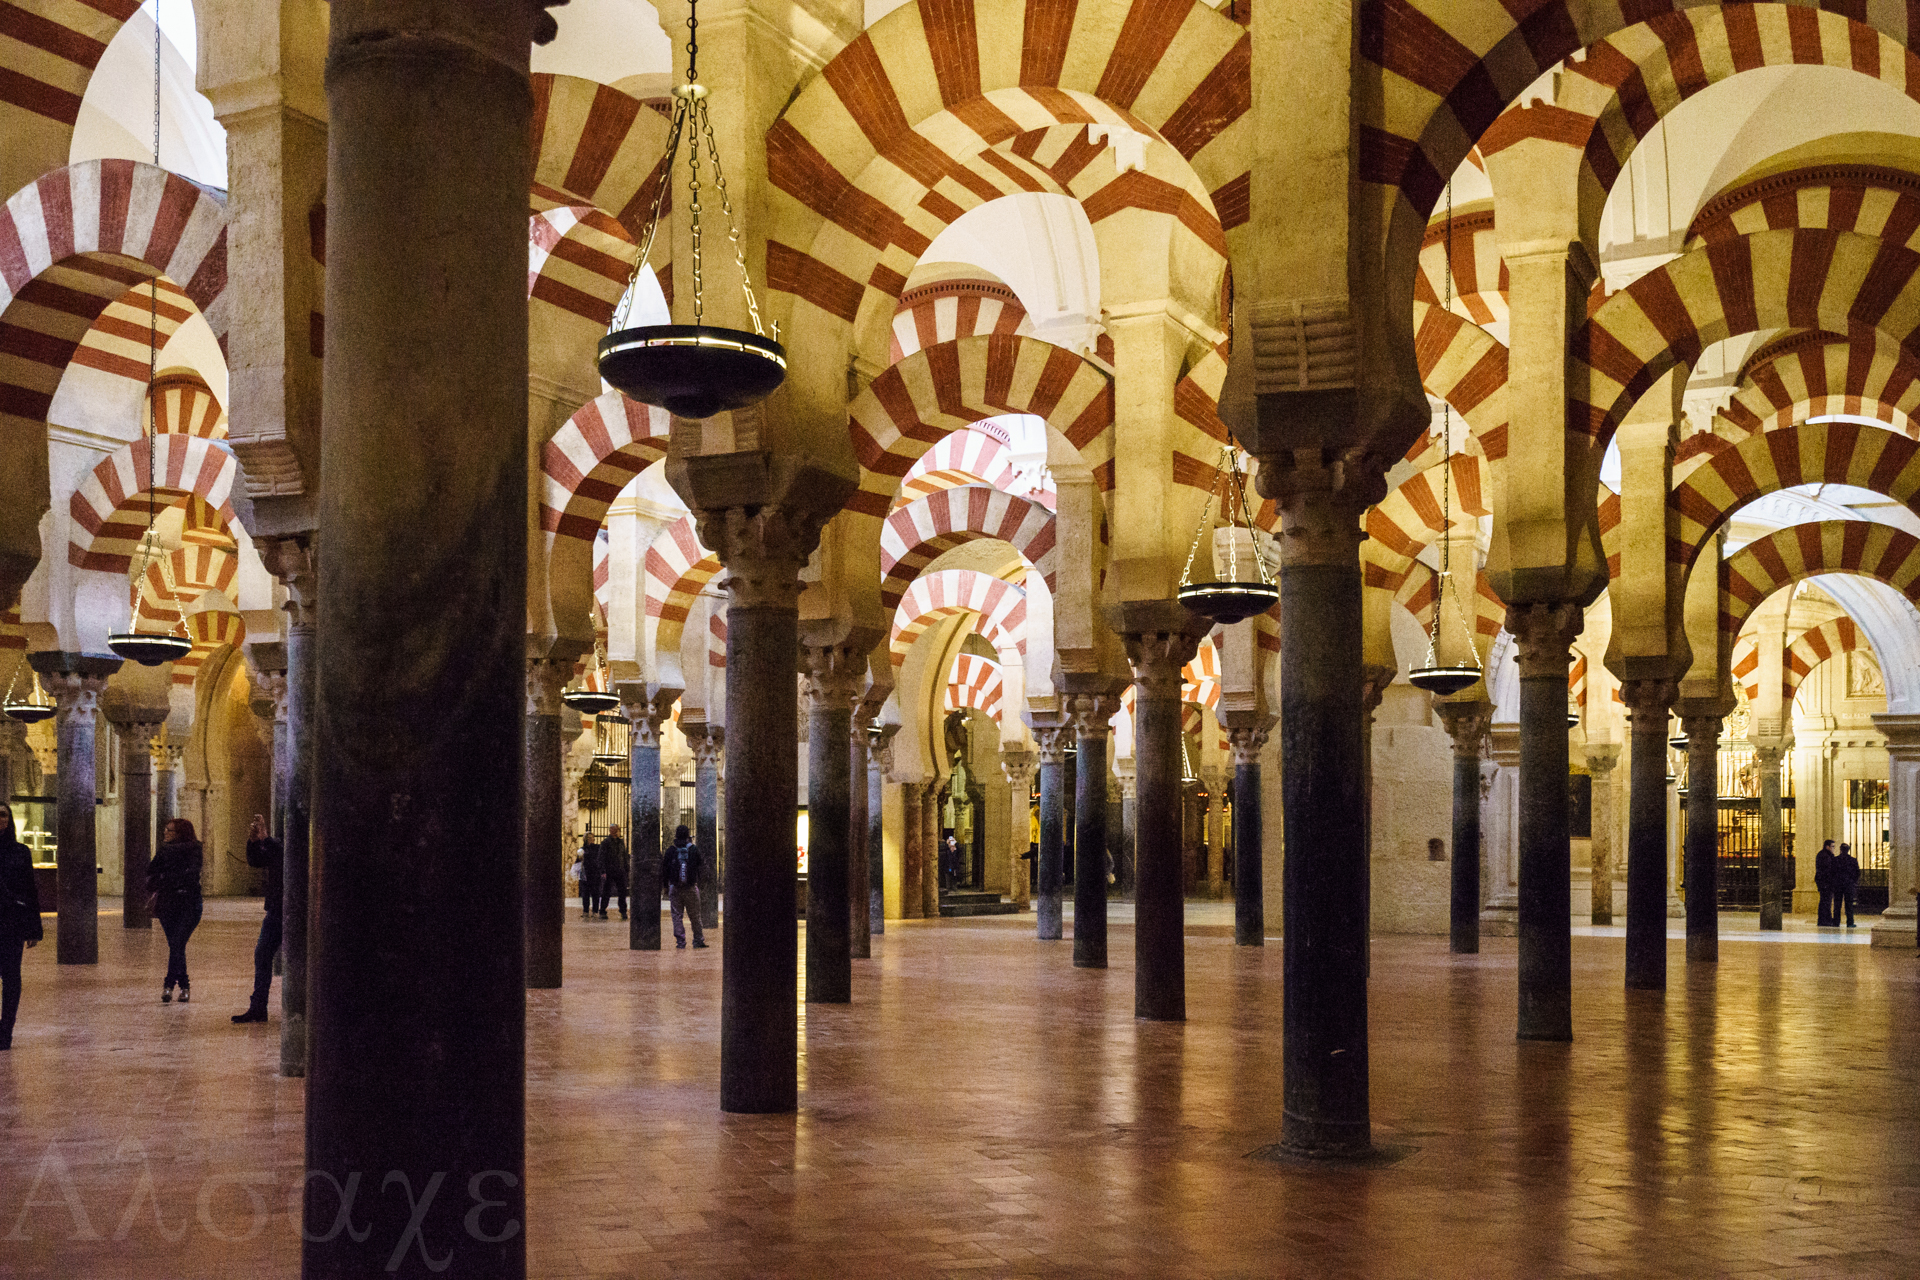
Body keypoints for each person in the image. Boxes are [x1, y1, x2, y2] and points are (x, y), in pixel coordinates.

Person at [233, 814, 283, 1024]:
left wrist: (266, 840)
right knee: (262, 954)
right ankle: (258, 1008)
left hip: (299, 909)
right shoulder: (278, 844)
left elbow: (289, 856)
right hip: (277, 909)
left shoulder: (302, 839)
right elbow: (257, 861)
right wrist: (254, 842)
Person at [0, 806, 43, 1050]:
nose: (0, 819)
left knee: (11, 977)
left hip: (11, 922)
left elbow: (29, 889)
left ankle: (6, 1030)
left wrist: (34, 929)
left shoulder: (20, 852)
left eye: (3, 814)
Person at [148, 819, 204, 1003]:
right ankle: (180, 988)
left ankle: (172, 985)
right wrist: (171, 878)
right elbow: (151, 871)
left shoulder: (194, 849)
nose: (165, 832)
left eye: (169, 830)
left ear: (180, 833)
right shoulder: (164, 850)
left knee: (177, 943)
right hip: (167, 904)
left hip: (189, 904)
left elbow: (192, 874)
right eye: (166, 829)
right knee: (175, 945)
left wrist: (167, 877)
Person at [661, 825, 706, 949]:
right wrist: (700, 883)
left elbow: (665, 870)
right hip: (690, 887)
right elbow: (700, 867)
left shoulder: (671, 851)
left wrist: (665, 886)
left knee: (677, 916)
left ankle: (680, 942)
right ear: (687, 835)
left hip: (675, 887)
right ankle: (698, 940)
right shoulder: (693, 850)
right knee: (695, 915)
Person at [599, 823, 629, 921]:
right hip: (610, 870)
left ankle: (623, 911)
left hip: (620, 870)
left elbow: (624, 856)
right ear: (610, 830)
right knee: (606, 891)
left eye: (616, 830)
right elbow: (602, 857)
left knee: (622, 892)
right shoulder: (606, 842)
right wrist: (603, 871)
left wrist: (626, 868)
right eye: (613, 829)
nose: (615, 831)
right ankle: (602, 910)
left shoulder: (621, 842)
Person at [1835, 842, 1861, 928]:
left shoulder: (1836, 860)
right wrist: (1853, 882)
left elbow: (1832, 873)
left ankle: (1836, 922)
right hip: (1849, 885)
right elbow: (1857, 873)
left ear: (1840, 850)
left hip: (1838, 885)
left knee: (1837, 904)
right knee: (1849, 904)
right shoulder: (1853, 860)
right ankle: (1850, 922)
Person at [580, 834, 603, 919]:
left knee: (595, 893)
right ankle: (585, 911)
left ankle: (595, 911)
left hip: (595, 873)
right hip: (585, 874)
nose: (591, 839)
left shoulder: (597, 848)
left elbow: (600, 859)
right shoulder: (582, 849)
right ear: (585, 839)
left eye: (592, 838)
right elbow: (579, 861)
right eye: (589, 838)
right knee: (585, 894)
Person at [1815, 839, 1837, 926]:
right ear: (1827, 847)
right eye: (1832, 846)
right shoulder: (1825, 856)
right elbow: (1828, 870)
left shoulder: (1823, 854)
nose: (1833, 848)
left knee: (1825, 901)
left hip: (1823, 882)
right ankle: (1824, 920)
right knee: (1826, 901)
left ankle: (1825, 919)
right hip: (1826, 882)